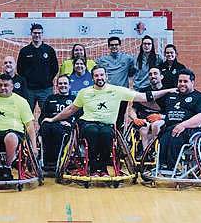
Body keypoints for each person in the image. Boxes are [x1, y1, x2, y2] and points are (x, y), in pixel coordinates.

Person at [43, 66, 176, 176]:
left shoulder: (117, 90)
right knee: (93, 131)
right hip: (87, 123)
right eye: (96, 76)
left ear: (106, 76)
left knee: (106, 134)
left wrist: (169, 90)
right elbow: (70, 109)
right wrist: (53, 119)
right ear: (92, 77)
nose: (99, 78)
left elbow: (144, 97)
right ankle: (94, 168)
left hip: (107, 124)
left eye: (101, 75)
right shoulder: (85, 92)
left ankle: (103, 168)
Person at [152, 70, 201, 169]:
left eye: (185, 81)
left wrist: (183, 125)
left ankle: (172, 167)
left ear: (192, 82)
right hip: (170, 128)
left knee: (175, 137)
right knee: (164, 138)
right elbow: (154, 104)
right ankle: (161, 165)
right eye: (180, 81)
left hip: (190, 129)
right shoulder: (171, 95)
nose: (182, 84)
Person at [17, 23, 59, 112]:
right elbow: (20, 70)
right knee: (26, 115)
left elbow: (55, 68)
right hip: (29, 90)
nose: (37, 35)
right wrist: (27, 82)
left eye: (39, 33)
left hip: (46, 89)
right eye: (35, 33)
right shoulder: (24, 51)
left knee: (47, 114)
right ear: (31, 34)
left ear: (42, 34)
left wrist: (47, 80)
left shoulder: (49, 50)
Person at [127, 67, 166, 150]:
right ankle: (146, 152)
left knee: (156, 125)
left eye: (155, 73)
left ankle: (154, 149)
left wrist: (160, 116)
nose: (152, 76)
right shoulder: (142, 92)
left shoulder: (167, 92)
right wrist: (135, 119)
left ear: (161, 76)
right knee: (144, 127)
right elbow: (132, 110)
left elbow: (171, 112)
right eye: (150, 74)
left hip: (159, 120)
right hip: (144, 119)